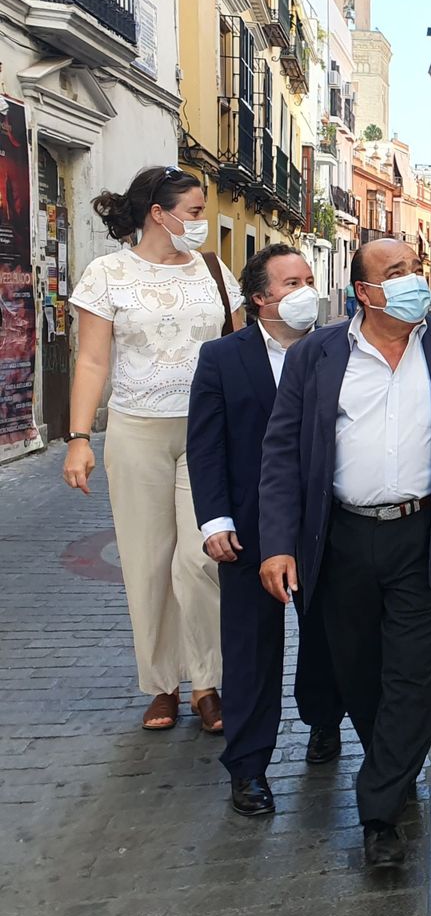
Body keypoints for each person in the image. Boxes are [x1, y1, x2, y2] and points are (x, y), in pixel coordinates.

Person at [257, 238, 431, 868]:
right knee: (360, 672)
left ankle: (379, 815)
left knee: (411, 672)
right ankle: (393, 767)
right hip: (340, 538)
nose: (412, 280)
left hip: (427, 538)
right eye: (394, 272)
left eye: (414, 269)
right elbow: (282, 453)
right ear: (365, 292)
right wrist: (277, 544)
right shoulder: (319, 355)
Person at [62, 165, 242, 734]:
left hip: (208, 434)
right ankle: (162, 683)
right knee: (147, 562)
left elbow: (239, 350)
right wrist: (78, 438)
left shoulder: (215, 271)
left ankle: (207, 681)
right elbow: (92, 361)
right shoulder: (108, 274)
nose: (201, 223)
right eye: (192, 212)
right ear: (158, 215)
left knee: (201, 557)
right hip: (136, 430)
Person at [187, 244, 346, 818]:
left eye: (309, 278)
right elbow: (204, 447)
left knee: (325, 636)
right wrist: (215, 520)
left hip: (324, 525)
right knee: (251, 649)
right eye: (291, 282)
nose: (306, 289)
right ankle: (248, 767)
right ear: (259, 298)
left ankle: (325, 722)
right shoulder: (221, 358)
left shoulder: (336, 350)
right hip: (249, 529)